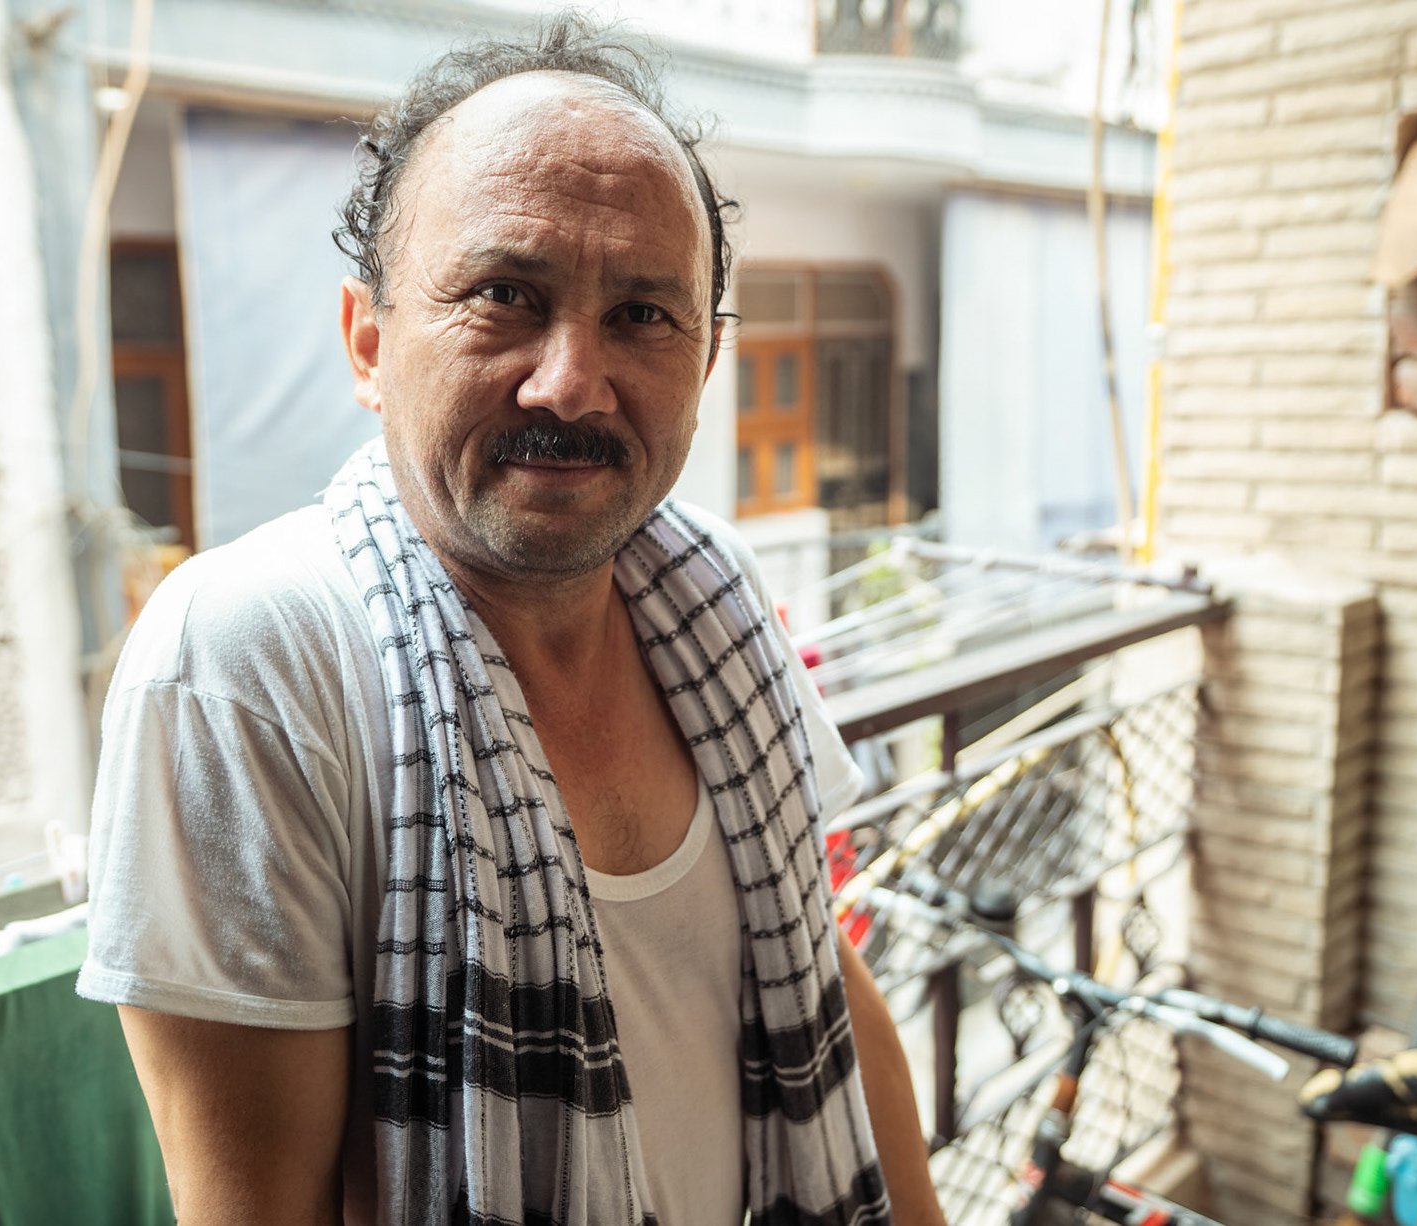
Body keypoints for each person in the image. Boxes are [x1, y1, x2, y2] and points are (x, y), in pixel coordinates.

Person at [79, 16, 945, 1226]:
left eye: (644, 313)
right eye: (504, 295)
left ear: (704, 365)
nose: (571, 382)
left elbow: (827, 986)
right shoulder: (249, 659)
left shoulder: (717, 598)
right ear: (368, 341)